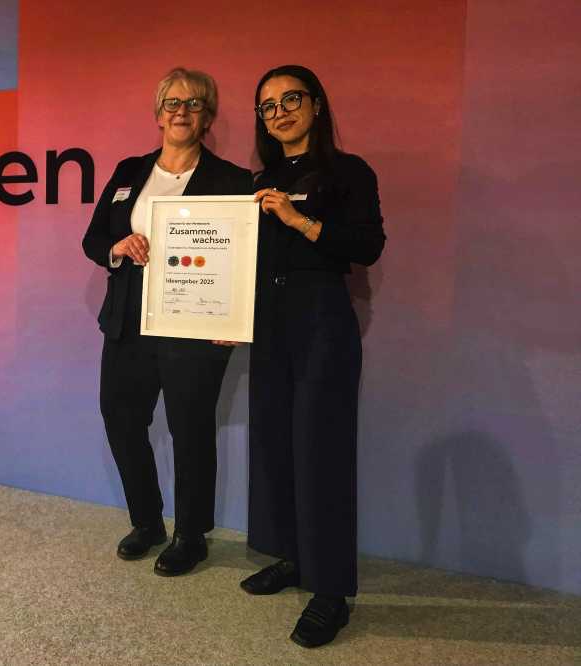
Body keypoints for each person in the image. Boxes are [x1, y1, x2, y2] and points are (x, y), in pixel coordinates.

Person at [82, 67, 251, 576]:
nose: (182, 111)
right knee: (121, 417)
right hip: (127, 321)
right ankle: (147, 522)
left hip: (193, 326)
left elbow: (245, 259)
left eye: (194, 103)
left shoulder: (233, 181)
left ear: (208, 117)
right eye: (172, 103)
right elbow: (94, 239)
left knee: (190, 429)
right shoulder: (129, 171)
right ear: (158, 114)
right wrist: (118, 246)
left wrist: (234, 319)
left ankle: (191, 535)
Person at [241, 65, 385, 648]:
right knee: (275, 443)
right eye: (268, 105)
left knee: (321, 451)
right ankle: (293, 557)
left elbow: (368, 245)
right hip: (267, 322)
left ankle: (330, 593)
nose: (280, 112)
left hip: (321, 319)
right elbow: (239, 261)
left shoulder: (349, 172)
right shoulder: (259, 180)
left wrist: (299, 220)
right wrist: (223, 316)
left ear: (317, 104)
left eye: (290, 99)